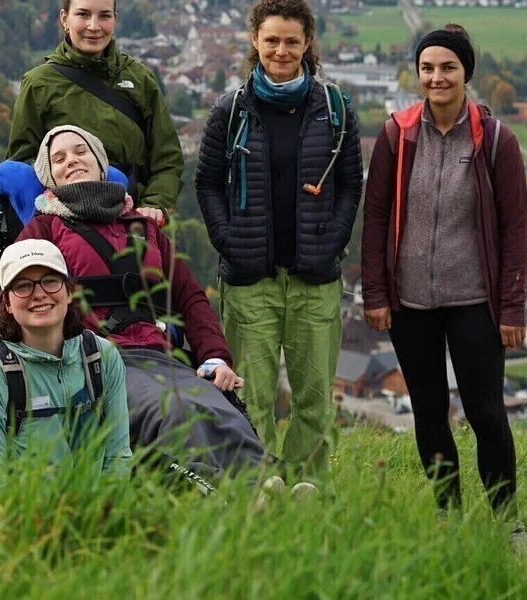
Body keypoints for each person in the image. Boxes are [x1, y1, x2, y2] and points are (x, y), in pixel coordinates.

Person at [361, 24, 527, 554]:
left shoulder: (496, 140)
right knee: (429, 412)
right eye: (427, 68)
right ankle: (448, 518)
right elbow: (375, 218)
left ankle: (509, 525)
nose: (436, 77)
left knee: (487, 414)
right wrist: (375, 294)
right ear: (417, 73)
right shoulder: (396, 135)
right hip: (410, 302)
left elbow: (516, 228)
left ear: (465, 73)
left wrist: (512, 306)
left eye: (448, 67)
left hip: (474, 302)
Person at [13, 126, 269, 476]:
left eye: (81, 151)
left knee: (219, 407)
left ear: (100, 163)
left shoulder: (144, 228)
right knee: (173, 410)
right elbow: (23, 297)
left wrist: (214, 357)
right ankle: (224, 488)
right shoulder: (44, 231)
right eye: (59, 159)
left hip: (160, 356)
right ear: (50, 177)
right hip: (97, 361)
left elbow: (190, 298)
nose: (72, 160)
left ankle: (268, 485)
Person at [193, 0, 362, 477]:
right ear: (255, 41)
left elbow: (351, 184)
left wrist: (333, 239)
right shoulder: (230, 110)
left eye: (291, 41)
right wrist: (228, 240)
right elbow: (207, 183)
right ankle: (259, 492)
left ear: (307, 43)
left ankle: (308, 492)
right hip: (251, 281)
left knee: (315, 401)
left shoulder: (335, 109)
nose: (281, 50)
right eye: (271, 40)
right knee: (250, 398)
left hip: (314, 279)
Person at [0, 240, 131, 475]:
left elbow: (118, 457)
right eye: (23, 286)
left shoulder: (103, 357)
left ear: (69, 292)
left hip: (99, 498)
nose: (39, 294)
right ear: (7, 303)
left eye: (50, 281)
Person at [7, 0, 181, 212]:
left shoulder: (140, 79)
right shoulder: (39, 84)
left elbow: (167, 157)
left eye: (104, 16)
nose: (94, 26)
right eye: (83, 14)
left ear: (115, 19)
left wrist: (155, 204)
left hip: (134, 217)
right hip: (66, 220)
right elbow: (23, 164)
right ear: (65, 19)